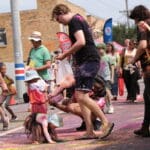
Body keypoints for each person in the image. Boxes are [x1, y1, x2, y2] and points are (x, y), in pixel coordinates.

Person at [51, 4, 114, 140]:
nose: (59, 22)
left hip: (88, 61)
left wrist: (65, 54)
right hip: (84, 62)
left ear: (61, 13)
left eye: (57, 19)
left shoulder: (74, 21)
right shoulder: (78, 19)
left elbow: (81, 41)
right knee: (81, 97)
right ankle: (89, 130)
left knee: (81, 96)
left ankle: (105, 122)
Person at [129, 5, 150, 137]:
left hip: (149, 67)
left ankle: (145, 128)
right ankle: (145, 127)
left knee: (148, 97)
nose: (134, 22)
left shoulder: (143, 25)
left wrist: (133, 59)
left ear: (137, 17)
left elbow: (142, 45)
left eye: (134, 19)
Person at [24, 69, 56, 143]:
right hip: (40, 105)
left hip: (38, 106)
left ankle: (38, 138)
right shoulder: (36, 85)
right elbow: (43, 90)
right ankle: (43, 138)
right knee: (39, 123)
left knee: (36, 123)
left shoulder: (30, 86)